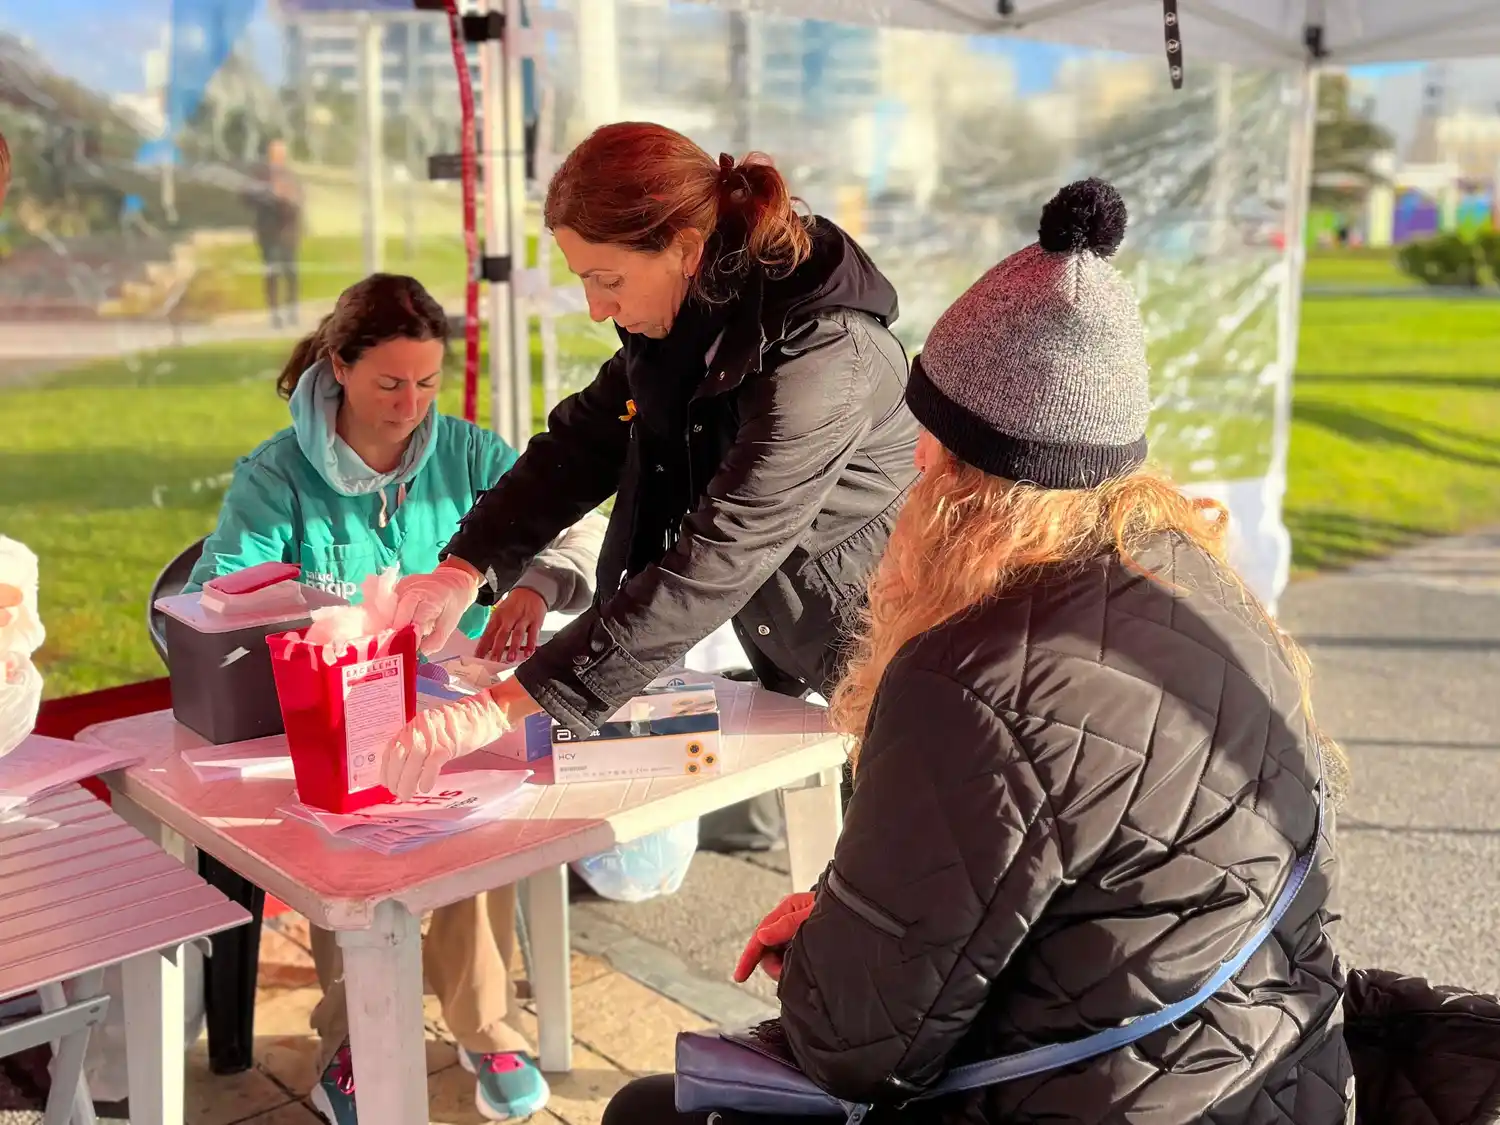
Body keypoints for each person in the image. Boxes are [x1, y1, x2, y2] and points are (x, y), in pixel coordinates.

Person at [599, 180, 1353, 1125]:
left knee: (650, 1110)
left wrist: (828, 946)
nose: (912, 462)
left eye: (934, 440)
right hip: (1283, 1072)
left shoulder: (971, 677)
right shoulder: (1208, 589)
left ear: (972, 484)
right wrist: (858, 931)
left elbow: (854, 1042)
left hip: (1107, 1098)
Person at [379, 123, 918, 819]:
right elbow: (584, 443)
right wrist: (465, 565)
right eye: (584, 281)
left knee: (899, 860)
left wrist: (503, 706)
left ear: (686, 250)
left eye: (607, 280)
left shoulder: (825, 357)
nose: (597, 307)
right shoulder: (682, 316)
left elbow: (721, 551)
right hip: (802, 639)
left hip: (893, 647)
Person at [186, 273, 605, 1124]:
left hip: (451, 699)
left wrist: (537, 584)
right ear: (338, 366)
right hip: (318, 715)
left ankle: (485, 1024)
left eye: (426, 382)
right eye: (388, 383)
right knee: (358, 832)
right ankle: (353, 1040)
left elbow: (579, 518)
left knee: (475, 816)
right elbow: (214, 594)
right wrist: (323, 619)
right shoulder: (276, 474)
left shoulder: (470, 454)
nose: (410, 404)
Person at [249, 138, 303, 329]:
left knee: (291, 272)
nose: (278, 157)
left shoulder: (291, 176)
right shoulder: (261, 176)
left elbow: (300, 200)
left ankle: (292, 309)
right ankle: (275, 312)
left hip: (288, 232)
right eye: (275, 153)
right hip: (269, 233)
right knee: (272, 272)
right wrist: (270, 193)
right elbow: (248, 197)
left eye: (281, 153)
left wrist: (288, 198)